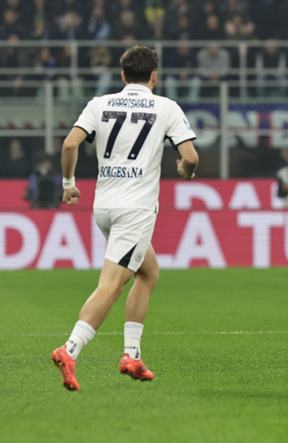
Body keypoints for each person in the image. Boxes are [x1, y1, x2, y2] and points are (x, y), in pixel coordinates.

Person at [51, 45, 199, 391]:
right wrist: (185, 171)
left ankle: (131, 354)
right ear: (154, 77)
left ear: (122, 76)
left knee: (148, 273)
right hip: (136, 210)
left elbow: (70, 145)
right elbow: (190, 156)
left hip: (104, 207)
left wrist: (69, 185)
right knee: (113, 283)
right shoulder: (166, 107)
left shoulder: (98, 103)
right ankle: (70, 349)